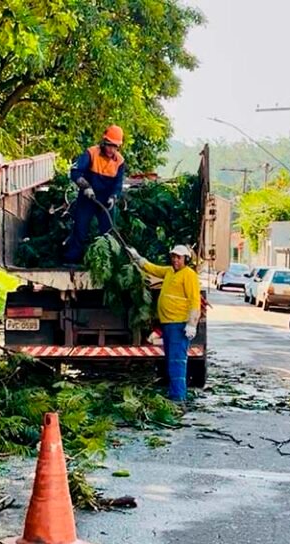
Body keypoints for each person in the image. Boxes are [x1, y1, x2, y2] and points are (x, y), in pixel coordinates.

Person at [128, 244, 201, 403]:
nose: (175, 260)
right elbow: (153, 269)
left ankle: (178, 398)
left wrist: (191, 323)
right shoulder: (169, 271)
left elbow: (194, 301)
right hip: (168, 324)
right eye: (173, 256)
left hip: (179, 325)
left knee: (177, 362)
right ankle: (174, 394)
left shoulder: (189, 275)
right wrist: (138, 258)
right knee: (171, 361)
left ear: (186, 259)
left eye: (179, 257)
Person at [63, 125, 126, 265]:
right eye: (110, 145)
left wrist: (113, 197)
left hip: (106, 201)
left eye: (115, 147)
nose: (112, 149)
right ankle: (72, 260)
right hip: (88, 198)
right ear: (104, 142)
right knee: (80, 228)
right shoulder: (91, 153)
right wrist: (85, 187)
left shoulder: (119, 161)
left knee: (108, 232)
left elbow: (118, 184)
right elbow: (75, 172)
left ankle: (107, 263)